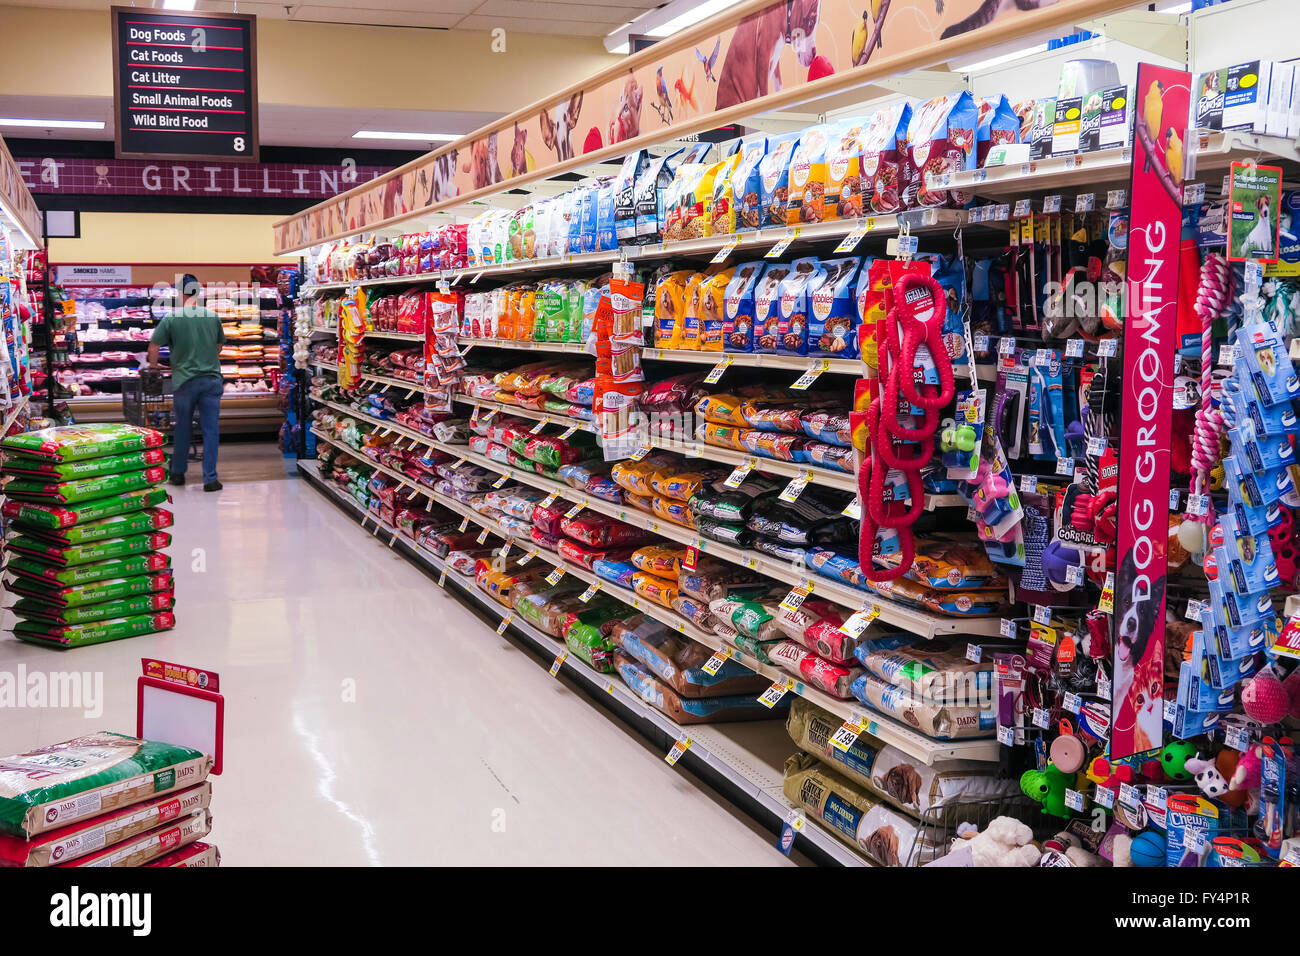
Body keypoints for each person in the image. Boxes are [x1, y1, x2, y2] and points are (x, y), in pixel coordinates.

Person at [146, 274, 225, 491]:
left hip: (184, 381)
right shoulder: (212, 316)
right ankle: (210, 479)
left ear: (181, 293)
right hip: (210, 380)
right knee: (211, 430)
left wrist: (154, 368)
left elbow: (153, 347)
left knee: (183, 428)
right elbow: (219, 347)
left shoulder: (172, 319)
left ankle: (178, 473)